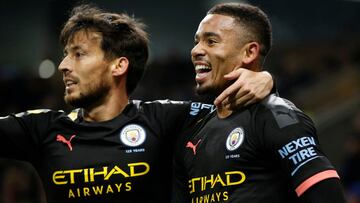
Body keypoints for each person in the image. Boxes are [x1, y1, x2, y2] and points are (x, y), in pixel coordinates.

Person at [0, 4, 274, 203]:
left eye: (78, 54)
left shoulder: (164, 119)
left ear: (119, 66)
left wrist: (264, 79)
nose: (63, 66)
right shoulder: (42, 128)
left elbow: (230, 108)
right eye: (65, 55)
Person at [172, 3, 346, 203]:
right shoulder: (193, 131)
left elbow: (328, 196)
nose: (195, 50)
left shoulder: (279, 117)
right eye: (197, 41)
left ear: (249, 52)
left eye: (211, 41)